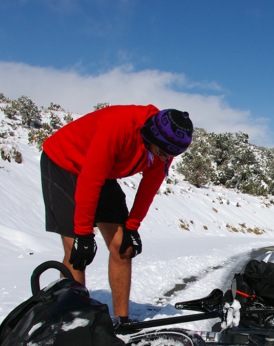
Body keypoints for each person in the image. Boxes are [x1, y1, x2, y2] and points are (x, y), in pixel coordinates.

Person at [41, 105, 193, 324]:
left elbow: (148, 188)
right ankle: (74, 323)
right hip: (64, 162)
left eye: (170, 156)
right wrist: (83, 233)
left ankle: (122, 321)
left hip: (102, 171)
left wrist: (132, 227)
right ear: (150, 136)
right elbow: (90, 180)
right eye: (161, 153)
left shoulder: (164, 147)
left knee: (123, 246)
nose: (163, 159)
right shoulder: (119, 126)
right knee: (77, 250)